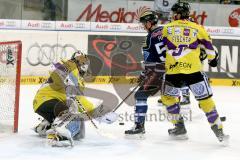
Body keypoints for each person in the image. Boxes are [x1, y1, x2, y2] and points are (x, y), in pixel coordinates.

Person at [161, 2, 229, 144]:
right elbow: (210, 47)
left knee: (168, 99)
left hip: (173, 72)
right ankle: (219, 130)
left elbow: (159, 48)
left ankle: (179, 127)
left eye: (174, 13)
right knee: (206, 101)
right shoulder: (198, 28)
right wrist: (212, 61)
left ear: (178, 14)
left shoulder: (166, 28)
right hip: (194, 72)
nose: (172, 15)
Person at [33, 51, 118, 147]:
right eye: (81, 61)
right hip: (46, 100)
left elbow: (80, 101)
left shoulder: (79, 80)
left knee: (79, 133)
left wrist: (98, 114)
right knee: (72, 117)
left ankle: (47, 125)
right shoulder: (68, 68)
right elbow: (55, 71)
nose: (84, 65)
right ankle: (57, 136)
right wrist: (62, 76)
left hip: (52, 104)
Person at [124, 10, 166, 137]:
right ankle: (180, 126)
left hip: (158, 72)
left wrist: (144, 74)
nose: (143, 26)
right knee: (170, 99)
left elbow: (149, 62)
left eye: (144, 23)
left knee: (140, 95)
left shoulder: (149, 38)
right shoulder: (165, 30)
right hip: (173, 71)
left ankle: (139, 126)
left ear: (149, 23)